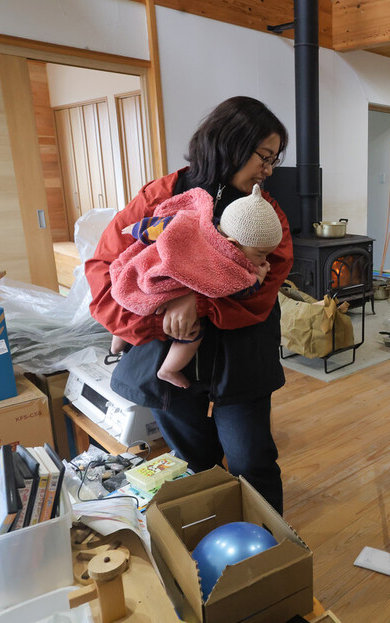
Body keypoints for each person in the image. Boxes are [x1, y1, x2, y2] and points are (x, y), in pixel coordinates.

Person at [86, 96, 292, 514]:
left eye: (274, 160)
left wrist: (195, 301)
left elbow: (266, 286)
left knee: (252, 458)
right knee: (196, 460)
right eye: (264, 157)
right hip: (167, 354)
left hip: (243, 355)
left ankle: (272, 551)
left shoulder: (263, 211)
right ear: (233, 143)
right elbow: (107, 269)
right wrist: (164, 315)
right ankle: (214, 528)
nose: (268, 170)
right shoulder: (162, 195)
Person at [108, 184, 283, 389]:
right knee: (193, 333)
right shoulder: (230, 266)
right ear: (233, 244)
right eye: (261, 254)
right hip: (165, 284)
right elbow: (241, 290)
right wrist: (258, 278)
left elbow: (164, 226)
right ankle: (169, 369)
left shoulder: (195, 223)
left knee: (133, 300)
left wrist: (138, 229)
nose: (264, 259)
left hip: (151, 282)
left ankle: (118, 339)